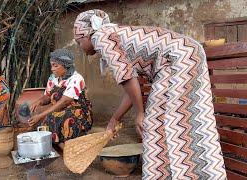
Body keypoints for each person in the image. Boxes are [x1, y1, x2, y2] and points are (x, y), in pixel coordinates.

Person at [73, 9, 226, 179]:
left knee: (163, 123)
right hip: (183, 55)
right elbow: (131, 86)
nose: (81, 49)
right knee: (160, 124)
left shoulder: (100, 37)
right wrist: (114, 119)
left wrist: (140, 113)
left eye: (79, 42)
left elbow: (127, 78)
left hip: (179, 59)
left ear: (87, 35)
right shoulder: (112, 34)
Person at [28, 49, 93, 150]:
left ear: (66, 66)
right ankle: (62, 147)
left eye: (55, 65)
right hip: (61, 110)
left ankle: (67, 149)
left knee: (56, 117)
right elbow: (48, 96)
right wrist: (39, 101)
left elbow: (65, 101)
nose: (52, 69)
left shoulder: (76, 78)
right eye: (51, 65)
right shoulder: (53, 78)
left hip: (78, 112)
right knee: (48, 118)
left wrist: (40, 115)